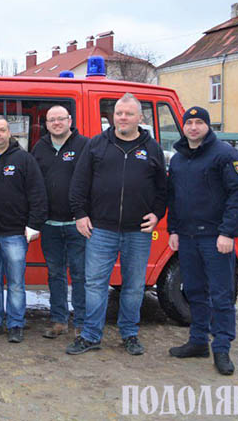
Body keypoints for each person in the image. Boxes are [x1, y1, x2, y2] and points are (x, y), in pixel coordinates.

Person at [67, 93, 167, 356]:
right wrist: (80, 214)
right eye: (119, 113)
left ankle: (129, 334)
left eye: (129, 114)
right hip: (101, 230)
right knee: (95, 284)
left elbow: (163, 189)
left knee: (134, 286)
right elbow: (79, 183)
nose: (123, 118)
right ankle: (90, 336)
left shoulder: (153, 148)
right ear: (113, 117)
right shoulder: (97, 144)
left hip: (138, 231)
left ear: (140, 118)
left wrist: (157, 214)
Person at [166, 106, 238, 376]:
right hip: (188, 237)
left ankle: (222, 348)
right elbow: (175, 198)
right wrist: (174, 230)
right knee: (193, 291)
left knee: (221, 295)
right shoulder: (179, 159)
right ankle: (199, 341)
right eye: (189, 122)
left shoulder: (225, 155)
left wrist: (228, 233)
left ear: (207, 126)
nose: (193, 127)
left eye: (199, 122)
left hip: (216, 238)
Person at [0, 117, 47, 343]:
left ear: (10, 133)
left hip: (15, 234)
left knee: (16, 283)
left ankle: (15, 323)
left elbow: (37, 194)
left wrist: (33, 224)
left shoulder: (24, 159)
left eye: (2, 130)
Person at [32, 105, 90, 340]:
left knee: (79, 274)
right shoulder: (40, 148)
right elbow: (34, 185)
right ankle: (58, 321)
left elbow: (91, 182)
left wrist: (85, 214)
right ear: (46, 124)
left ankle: (82, 323)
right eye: (51, 120)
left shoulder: (84, 145)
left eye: (60, 119)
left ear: (70, 121)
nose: (56, 123)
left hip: (77, 224)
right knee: (55, 274)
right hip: (50, 224)